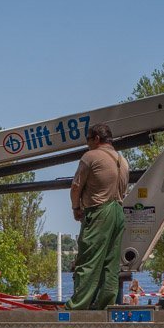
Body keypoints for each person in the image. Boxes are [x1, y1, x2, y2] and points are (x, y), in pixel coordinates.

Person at [65, 123, 129, 310]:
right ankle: (105, 304)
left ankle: (77, 305)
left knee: (89, 259)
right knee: (111, 262)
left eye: (88, 140)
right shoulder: (122, 160)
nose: (87, 145)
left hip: (99, 211)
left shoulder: (91, 156)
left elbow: (76, 186)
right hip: (118, 211)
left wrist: (76, 207)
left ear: (96, 139)